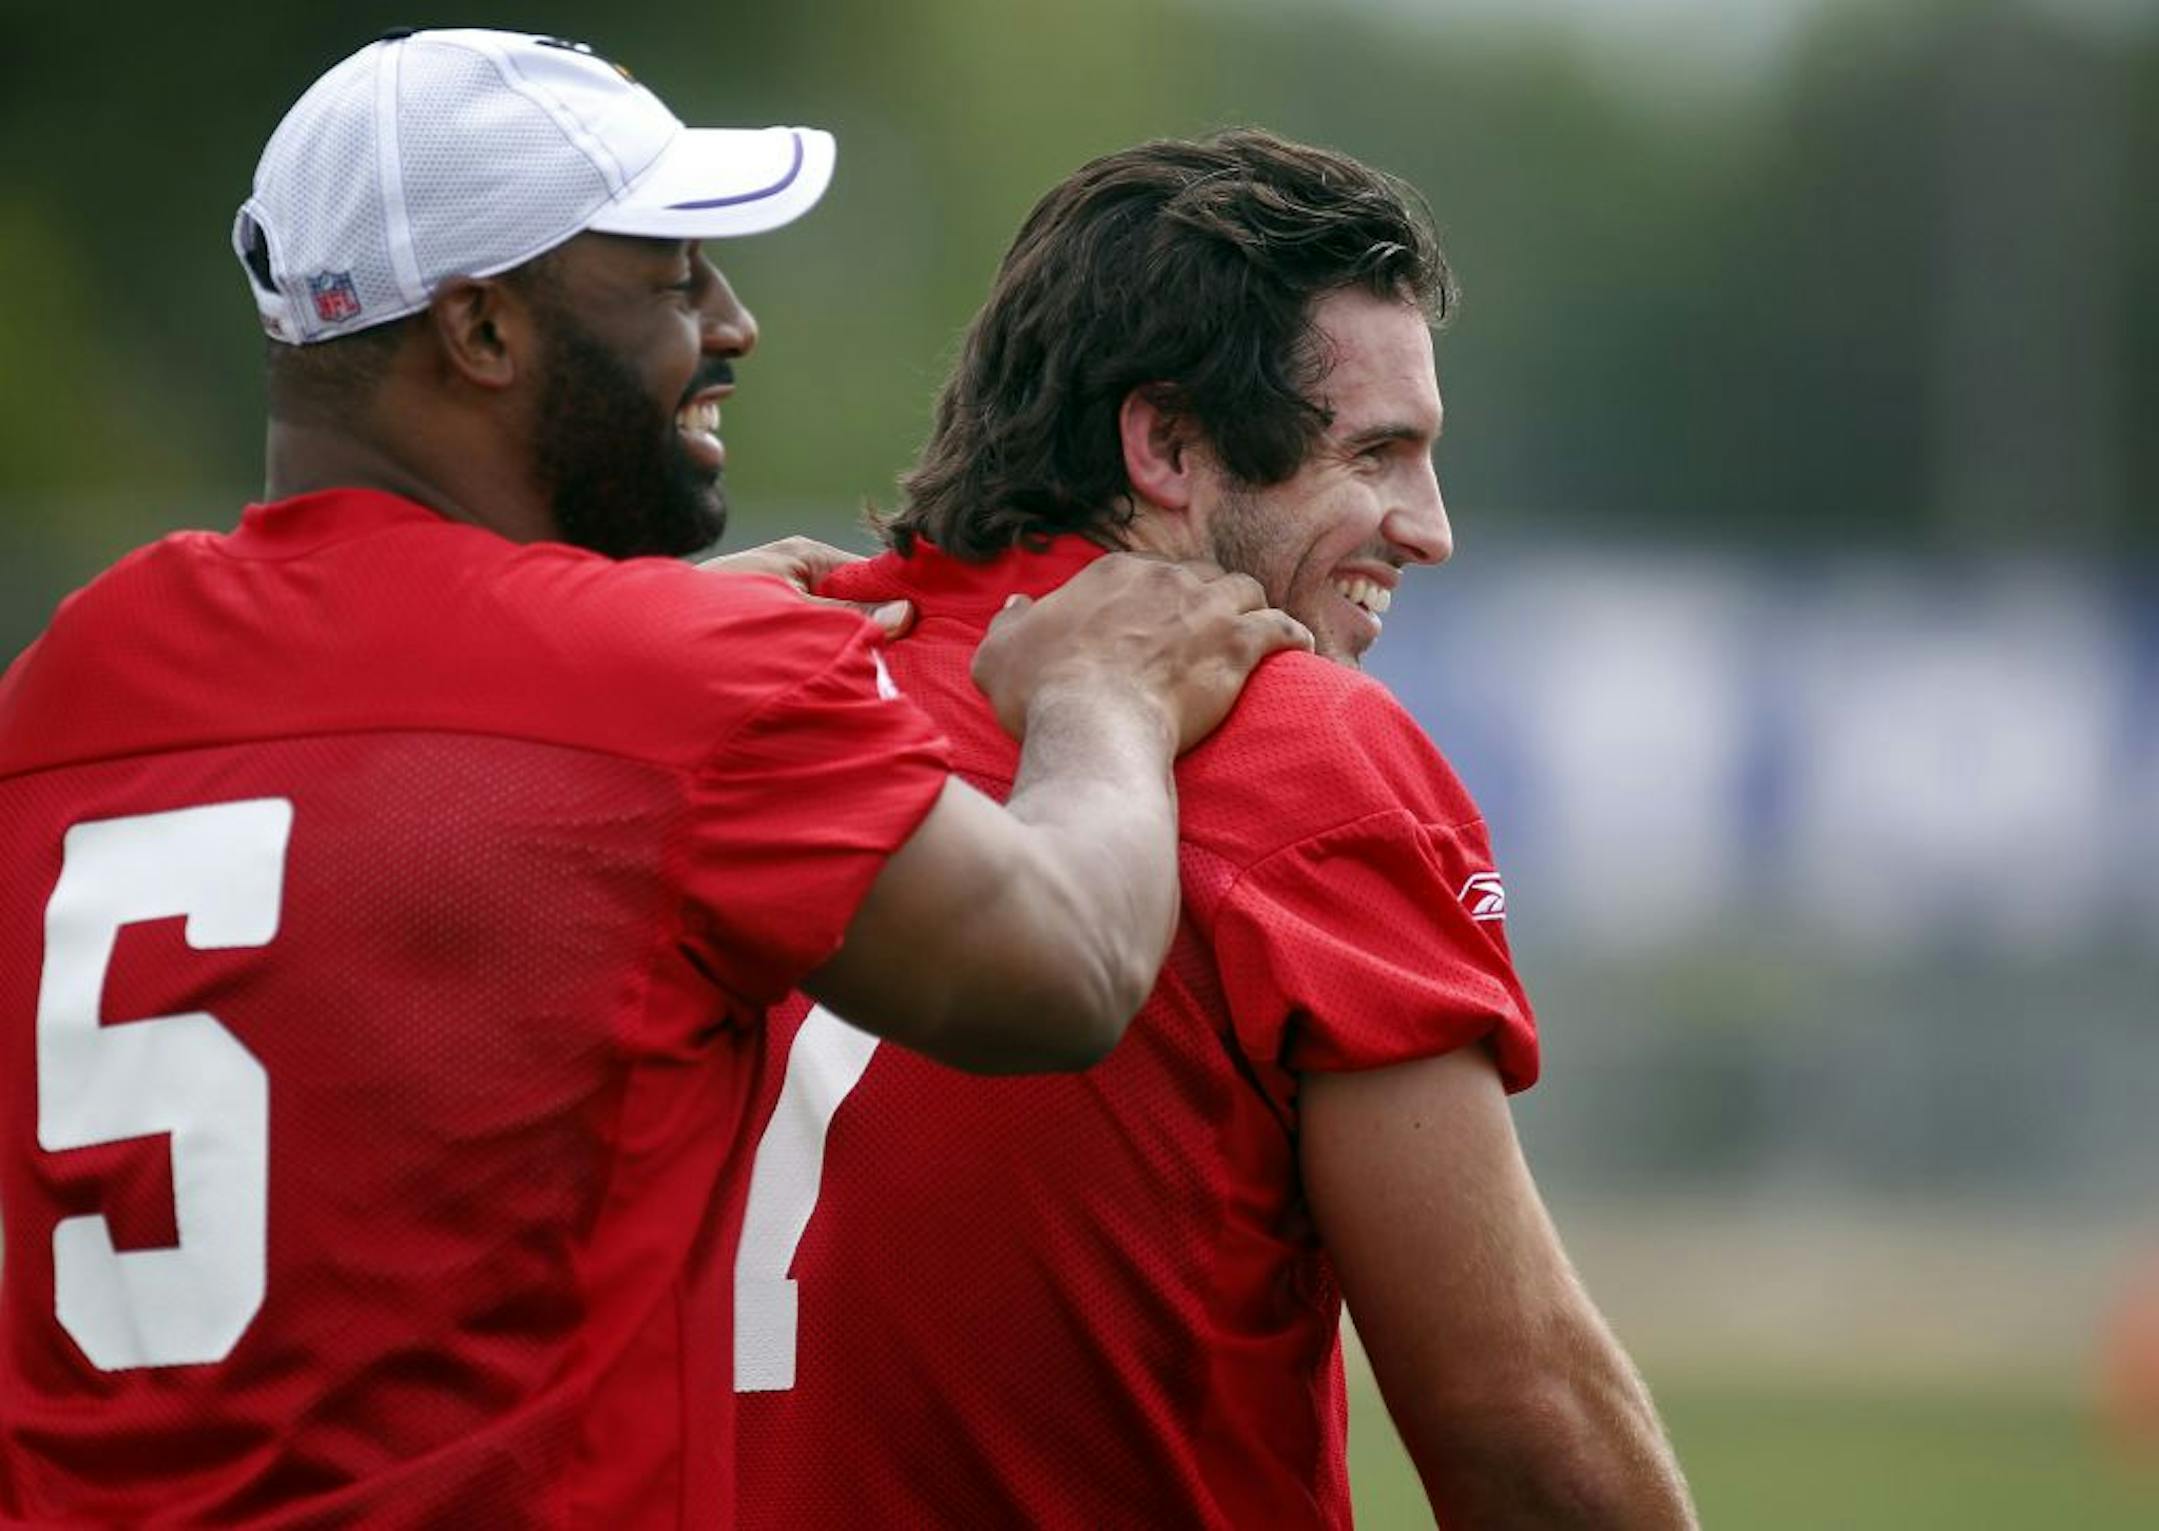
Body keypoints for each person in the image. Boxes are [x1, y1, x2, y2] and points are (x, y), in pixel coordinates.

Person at [0, 32, 1305, 1527]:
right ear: (484, 330)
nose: (734, 322)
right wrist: (1102, 700)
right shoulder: (664, 688)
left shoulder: (78, 670)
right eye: (673, 276)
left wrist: (610, 646)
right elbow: (1063, 968)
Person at [735, 130, 1698, 1528]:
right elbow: (1518, 1423)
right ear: (1168, 445)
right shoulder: (1295, 745)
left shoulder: (726, 679)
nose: (1429, 529)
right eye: (1377, 453)